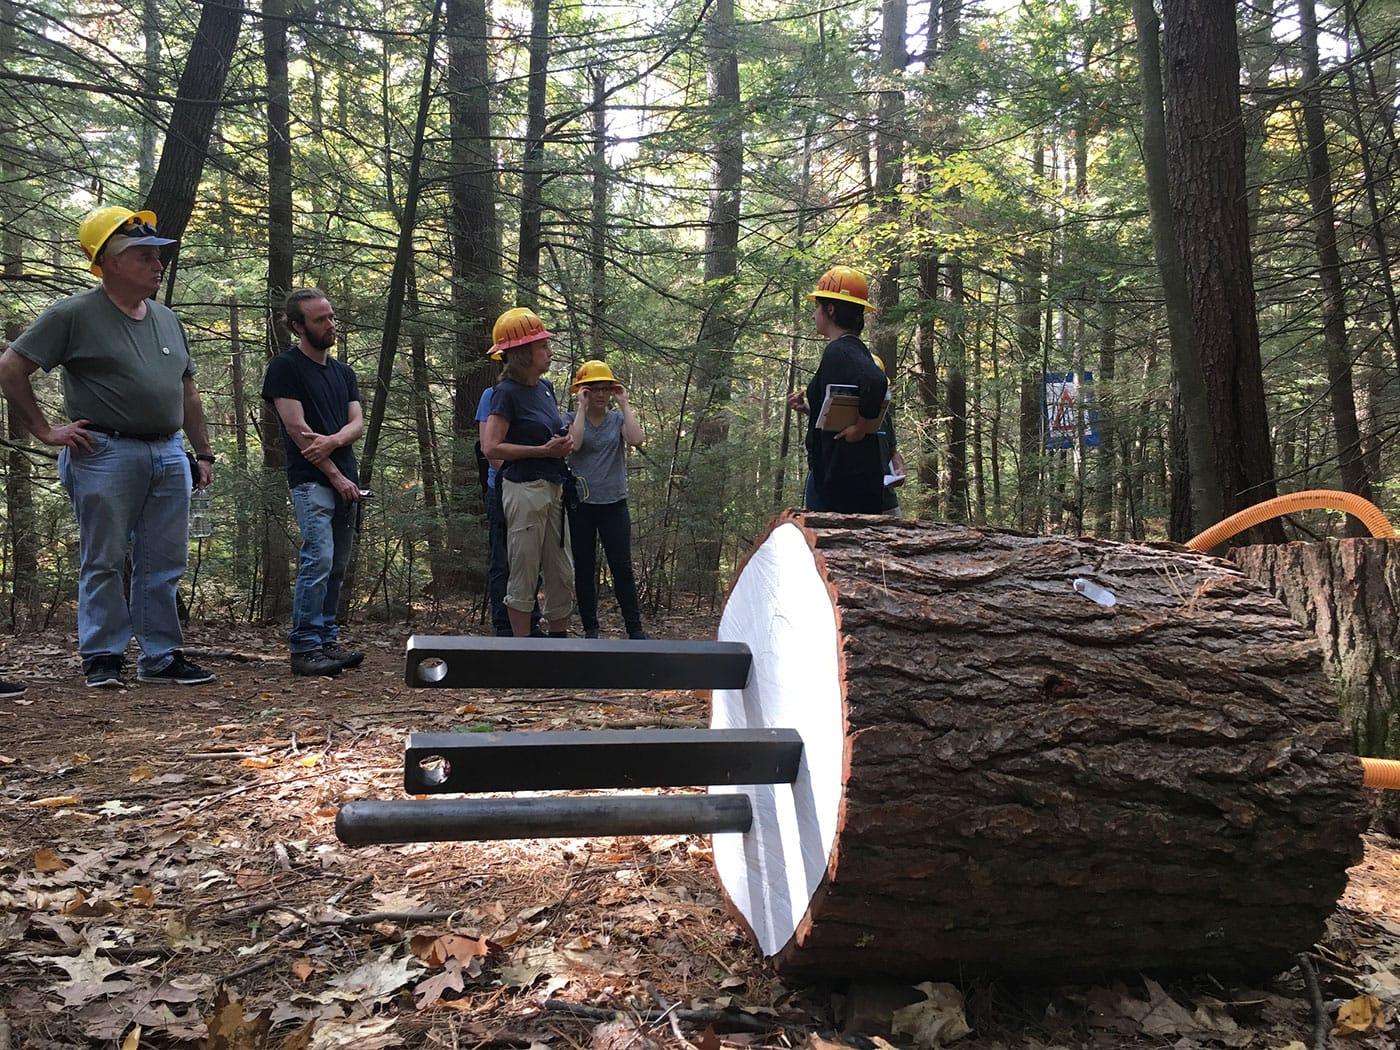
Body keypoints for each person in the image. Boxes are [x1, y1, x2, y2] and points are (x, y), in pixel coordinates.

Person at [0, 206, 216, 688]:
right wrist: (44, 430)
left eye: (158, 256)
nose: (158, 265)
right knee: (104, 558)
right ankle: (102, 655)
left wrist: (202, 453)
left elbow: (188, 392)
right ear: (110, 262)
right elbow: (10, 369)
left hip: (168, 453)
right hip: (105, 453)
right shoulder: (73, 314)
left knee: (164, 560)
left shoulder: (165, 317)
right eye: (144, 256)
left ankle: (161, 657)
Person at [261, 289, 365, 677]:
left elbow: (356, 423)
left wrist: (336, 442)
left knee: (336, 564)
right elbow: (299, 432)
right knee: (317, 559)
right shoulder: (285, 367)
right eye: (320, 319)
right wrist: (335, 475)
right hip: (312, 482)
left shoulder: (343, 373)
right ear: (297, 326)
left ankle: (326, 640)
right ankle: (304, 646)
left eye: (331, 317)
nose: (330, 324)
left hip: (346, 482)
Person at [479, 307, 574, 638]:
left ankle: (558, 644)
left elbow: (552, 431)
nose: (549, 351)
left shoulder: (545, 388)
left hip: (554, 488)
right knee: (523, 568)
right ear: (523, 353)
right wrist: (541, 451)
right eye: (542, 346)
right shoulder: (505, 393)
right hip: (523, 490)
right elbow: (491, 447)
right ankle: (523, 649)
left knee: (561, 571)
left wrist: (563, 442)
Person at [785, 265, 888, 513]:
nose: (813, 316)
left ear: (830, 309)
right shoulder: (854, 349)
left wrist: (860, 429)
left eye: (817, 307)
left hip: (841, 482)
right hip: (854, 479)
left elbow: (876, 381)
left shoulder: (839, 351)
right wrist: (811, 410)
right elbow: (848, 403)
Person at [564, 360, 649, 640]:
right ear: (583, 392)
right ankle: (591, 629)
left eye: (605, 389)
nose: (600, 395)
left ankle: (634, 630)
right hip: (581, 506)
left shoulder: (617, 420)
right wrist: (581, 408)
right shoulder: (570, 418)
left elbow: (637, 439)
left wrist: (624, 403)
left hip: (614, 504)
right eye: (593, 390)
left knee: (621, 567)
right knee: (585, 568)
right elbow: (573, 445)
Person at [475, 372, 541, 637]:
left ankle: (530, 624)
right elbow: (488, 447)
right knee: (502, 559)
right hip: (502, 489)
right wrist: (511, 478)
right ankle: (504, 627)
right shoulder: (491, 396)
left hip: (535, 490)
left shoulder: (539, 394)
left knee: (530, 559)